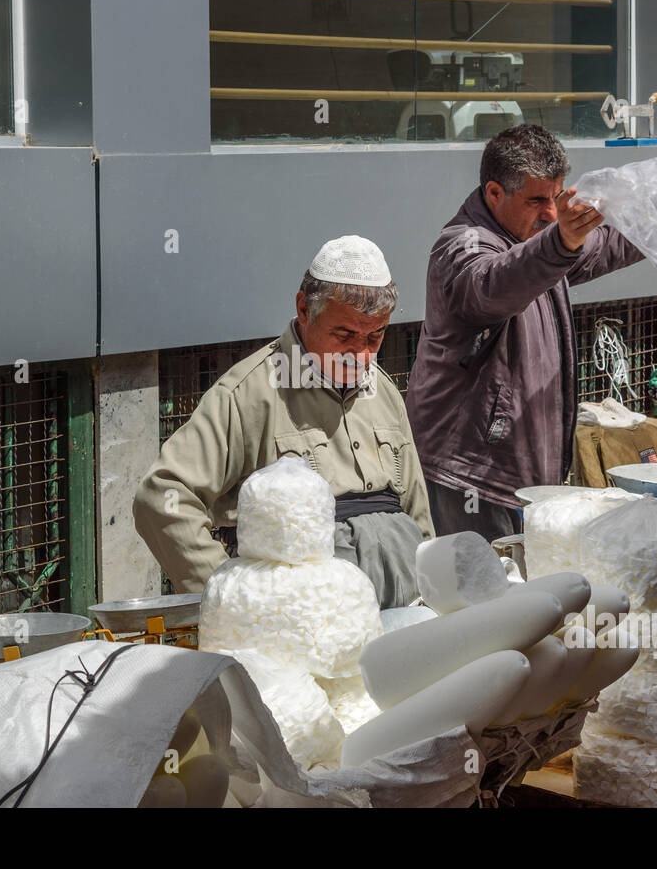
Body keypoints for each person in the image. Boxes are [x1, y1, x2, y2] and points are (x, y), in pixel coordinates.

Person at [133, 235, 434, 608]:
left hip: (405, 615)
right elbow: (161, 495)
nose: (361, 354)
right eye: (345, 335)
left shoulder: (383, 390)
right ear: (304, 310)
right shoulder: (249, 393)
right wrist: (233, 600)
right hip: (304, 626)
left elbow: (415, 508)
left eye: (375, 337)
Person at [405, 123, 646, 540]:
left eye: (556, 198)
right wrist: (561, 242)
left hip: (525, 480)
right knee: (480, 600)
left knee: (525, 595)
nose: (551, 214)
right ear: (495, 193)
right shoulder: (462, 246)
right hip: (471, 479)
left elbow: (605, 244)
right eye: (536, 200)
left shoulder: (543, 242)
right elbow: (495, 284)